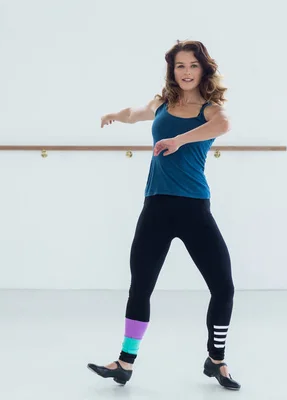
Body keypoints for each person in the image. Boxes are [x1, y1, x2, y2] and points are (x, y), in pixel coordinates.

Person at [87, 40, 240, 391]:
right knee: (140, 286)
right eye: (179, 66)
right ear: (173, 71)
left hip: (194, 208)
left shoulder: (210, 110)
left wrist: (179, 141)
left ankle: (216, 360)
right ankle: (125, 363)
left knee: (223, 287)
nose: (186, 72)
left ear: (204, 69)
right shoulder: (163, 103)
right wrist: (114, 115)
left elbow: (224, 126)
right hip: (156, 206)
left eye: (192, 65)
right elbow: (134, 112)